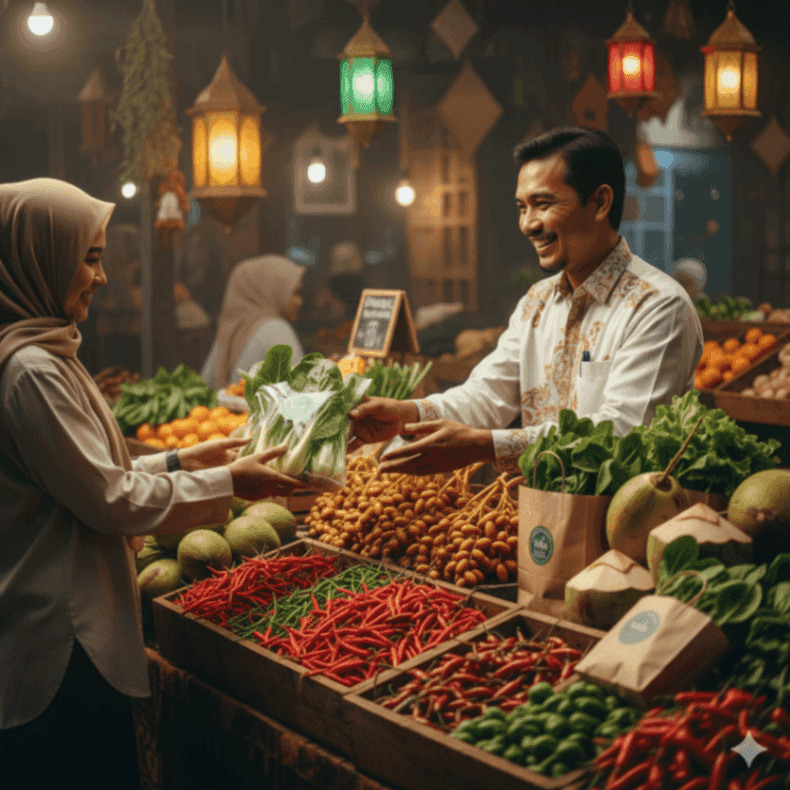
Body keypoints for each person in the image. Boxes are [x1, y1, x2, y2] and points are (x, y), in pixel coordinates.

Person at [0, 179, 305, 788]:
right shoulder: (32, 370)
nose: (104, 276)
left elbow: (89, 476)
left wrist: (181, 462)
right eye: (89, 257)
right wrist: (228, 483)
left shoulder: (44, 351)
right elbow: (110, 500)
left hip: (64, 629)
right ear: (42, 256)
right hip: (60, 642)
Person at [350, 126, 704, 476]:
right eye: (522, 207)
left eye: (543, 204)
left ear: (600, 203)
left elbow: (625, 433)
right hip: (540, 515)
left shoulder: (658, 306)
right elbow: (487, 396)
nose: (528, 224)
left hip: (622, 523)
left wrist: (487, 446)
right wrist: (407, 414)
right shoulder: (537, 302)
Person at [200, 255, 305, 390]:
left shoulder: (231, 330)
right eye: (295, 293)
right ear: (272, 290)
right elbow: (302, 392)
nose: (300, 302)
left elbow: (205, 383)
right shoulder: (275, 329)